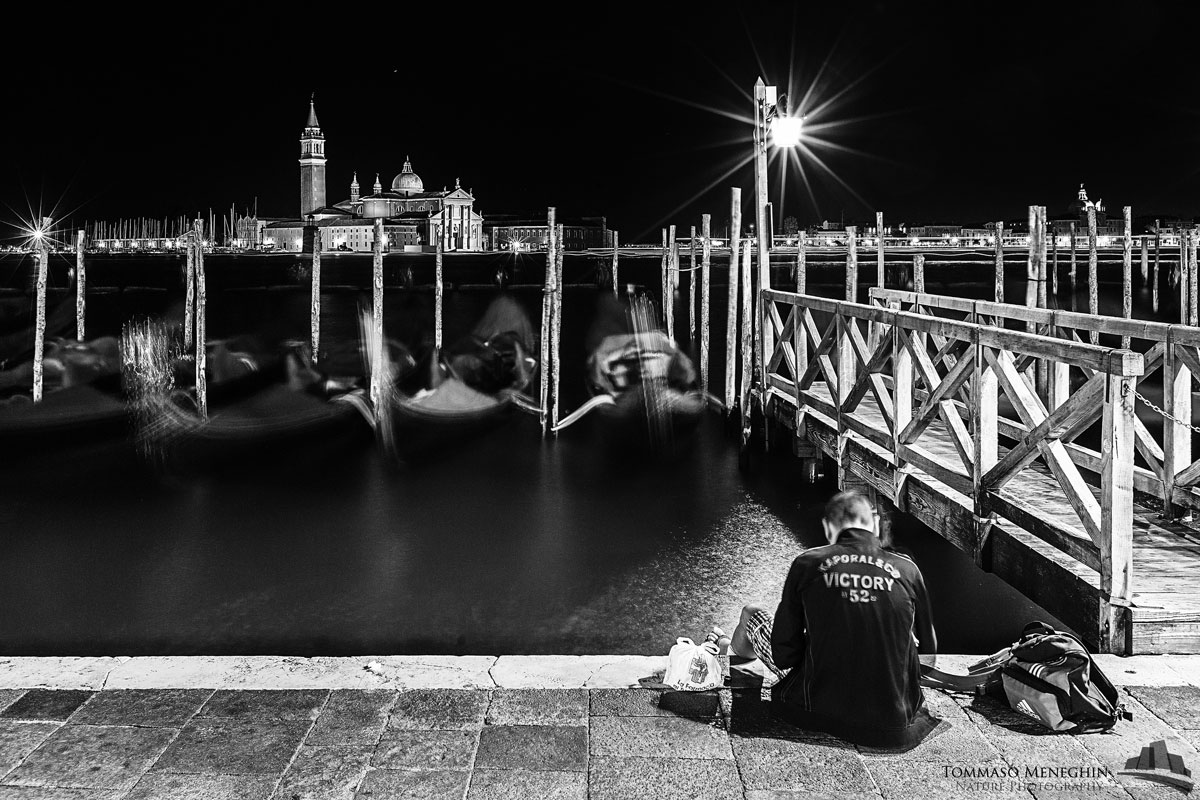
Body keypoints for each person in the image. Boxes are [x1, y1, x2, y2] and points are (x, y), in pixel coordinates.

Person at [731, 490, 939, 749]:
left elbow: (784, 654)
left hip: (817, 710)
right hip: (894, 727)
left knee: (751, 613)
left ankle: (735, 653)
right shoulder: (908, 569)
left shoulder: (808, 563)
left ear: (830, 528)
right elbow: (928, 659)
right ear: (873, 525)